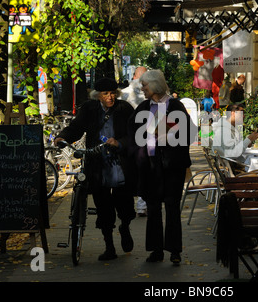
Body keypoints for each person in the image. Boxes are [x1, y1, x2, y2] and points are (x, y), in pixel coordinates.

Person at [54, 77, 136, 261]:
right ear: (97, 95)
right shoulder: (89, 109)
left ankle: (125, 225)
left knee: (124, 203)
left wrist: (120, 142)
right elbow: (76, 127)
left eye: (113, 93)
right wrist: (62, 137)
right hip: (98, 164)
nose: (110, 97)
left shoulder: (125, 109)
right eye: (106, 93)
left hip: (120, 163)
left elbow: (135, 134)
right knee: (103, 205)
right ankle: (109, 247)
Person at [129, 69, 196, 264]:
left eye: (145, 86)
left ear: (156, 86)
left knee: (172, 207)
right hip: (150, 166)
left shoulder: (175, 106)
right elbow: (132, 131)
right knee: (153, 208)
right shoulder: (142, 108)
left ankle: (175, 251)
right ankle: (156, 250)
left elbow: (190, 132)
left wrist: (168, 137)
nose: (142, 89)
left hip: (172, 165)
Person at [119, 66, 148, 217]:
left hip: (127, 139)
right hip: (145, 138)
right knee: (143, 171)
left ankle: (128, 205)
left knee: (128, 172)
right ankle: (142, 205)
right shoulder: (148, 93)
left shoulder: (123, 95)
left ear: (134, 77)